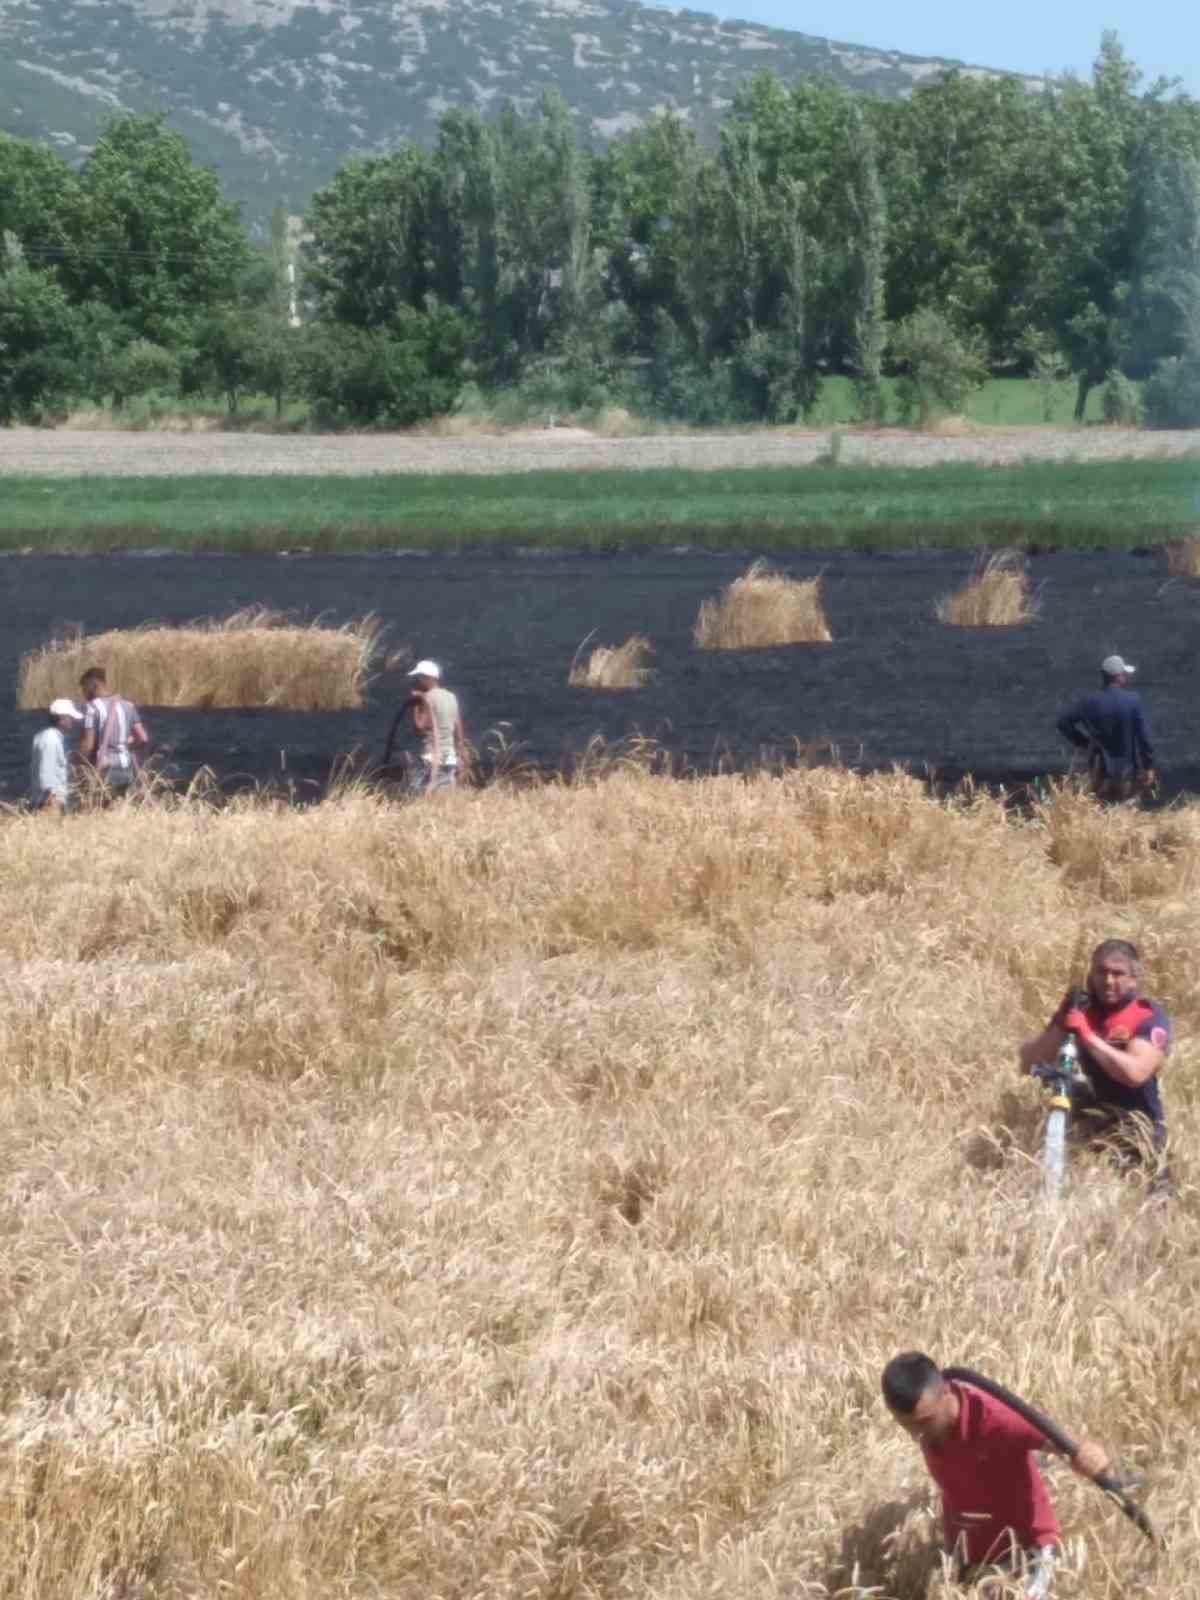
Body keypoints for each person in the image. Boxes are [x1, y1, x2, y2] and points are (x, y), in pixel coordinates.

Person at [882, 1351, 1110, 1598]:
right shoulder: (930, 1426)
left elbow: (1062, 1443)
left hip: (1026, 1556)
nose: (917, 1435)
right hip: (972, 1560)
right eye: (907, 1426)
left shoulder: (994, 1419)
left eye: (925, 1422)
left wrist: (1086, 1454)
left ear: (945, 1392)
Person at [1019, 939, 1170, 1180]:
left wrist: (1087, 1036)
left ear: (1134, 978)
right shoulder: (1082, 1010)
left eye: (1117, 973)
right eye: (1101, 971)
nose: (1108, 981)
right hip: (1086, 1126)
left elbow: (1135, 1073)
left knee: (1152, 1203)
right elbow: (1028, 1063)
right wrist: (1063, 1022)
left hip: (1138, 1129)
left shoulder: (1146, 1015)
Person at [1056, 654, 1154, 802]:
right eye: (1124, 674)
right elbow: (1144, 738)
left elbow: (1062, 722)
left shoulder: (1088, 702)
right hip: (1127, 772)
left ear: (1103, 676)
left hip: (1099, 771)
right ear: (1119, 676)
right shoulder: (1133, 701)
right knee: (1125, 815)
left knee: (1101, 810)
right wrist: (1148, 766)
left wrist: (1084, 742)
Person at [382, 658, 465, 794]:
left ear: (426, 678)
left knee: (416, 793)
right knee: (442, 797)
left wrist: (416, 705)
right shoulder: (451, 697)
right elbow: (459, 729)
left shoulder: (427, 698)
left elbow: (420, 727)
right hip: (450, 757)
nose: (416, 682)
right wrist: (459, 756)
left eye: (418, 678)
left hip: (430, 758)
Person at [77, 666, 150, 800]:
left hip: (105, 769)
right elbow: (143, 738)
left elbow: (88, 744)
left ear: (94, 685)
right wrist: (124, 746)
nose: (84, 694)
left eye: (85, 689)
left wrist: (79, 763)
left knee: (100, 810)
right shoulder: (128, 705)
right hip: (126, 767)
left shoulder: (92, 708)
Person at [29, 698, 83, 812]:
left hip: (52, 800)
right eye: (71, 717)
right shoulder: (51, 739)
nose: (73, 721)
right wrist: (50, 801)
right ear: (62, 719)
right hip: (50, 802)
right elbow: (46, 772)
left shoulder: (49, 737)